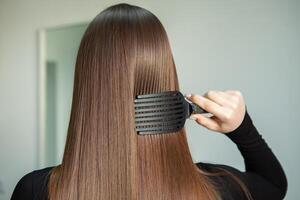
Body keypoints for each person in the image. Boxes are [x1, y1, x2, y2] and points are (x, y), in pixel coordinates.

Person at [11, 3, 287, 200]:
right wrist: (241, 127)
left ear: (87, 92)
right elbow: (274, 185)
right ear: (167, 78)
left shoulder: (35, 190)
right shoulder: (218, 188)